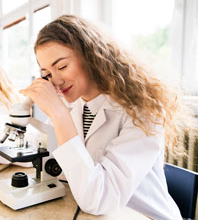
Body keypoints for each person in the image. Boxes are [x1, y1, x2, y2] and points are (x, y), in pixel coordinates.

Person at [19, 15, 185, 220]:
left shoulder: (143, 111)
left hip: (144, 216)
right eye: (47, 74)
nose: (56, 81)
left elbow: (99, 199)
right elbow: (32, 148)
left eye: (62, 67)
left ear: (90, 56)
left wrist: (59, 114)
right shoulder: (76, 105)